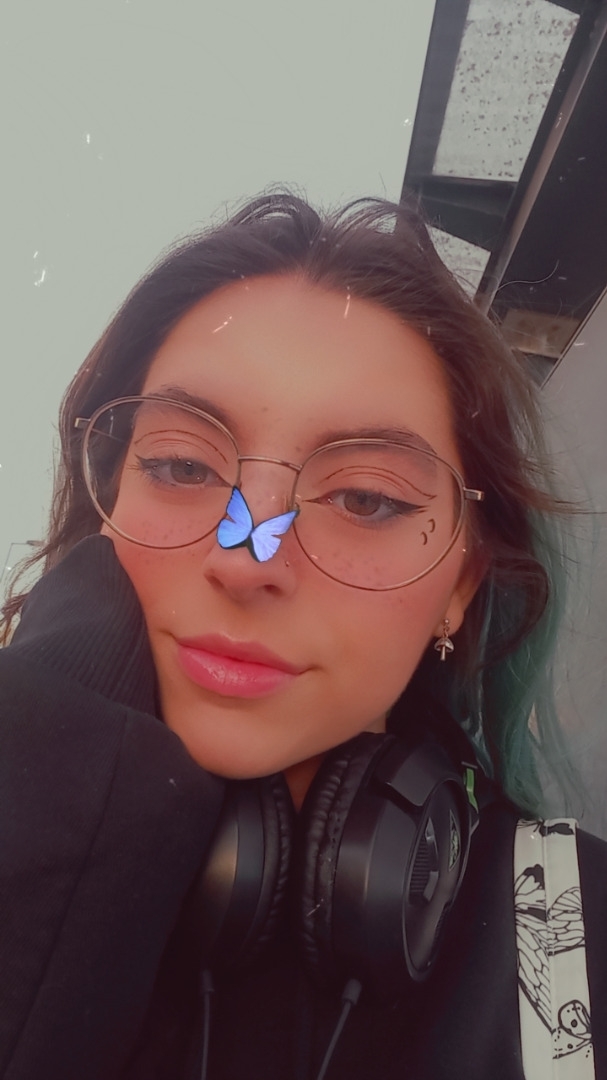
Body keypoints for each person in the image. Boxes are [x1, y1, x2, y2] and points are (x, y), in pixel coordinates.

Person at [0, 190, 605, 1080]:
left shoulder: (579, 946)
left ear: (461, 584)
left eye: (365, 498)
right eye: (180, 465)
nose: (246, 560)